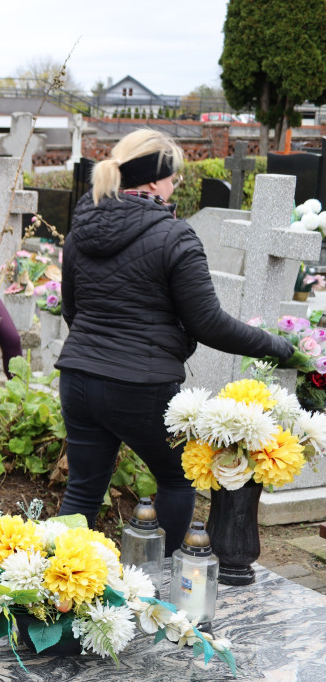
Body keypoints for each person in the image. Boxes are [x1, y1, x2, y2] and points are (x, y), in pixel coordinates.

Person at [54, 128, 297, 554]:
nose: (173, 187)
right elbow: (208, 323)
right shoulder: (174, 235)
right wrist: (278, 347)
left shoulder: (79, 232)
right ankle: (156, 581)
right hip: (142, 386)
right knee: (176, 477)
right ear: (153, 181)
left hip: (77, 379)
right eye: (174, 179)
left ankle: (56, 590)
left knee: (83, 492)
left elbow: (72, 312)